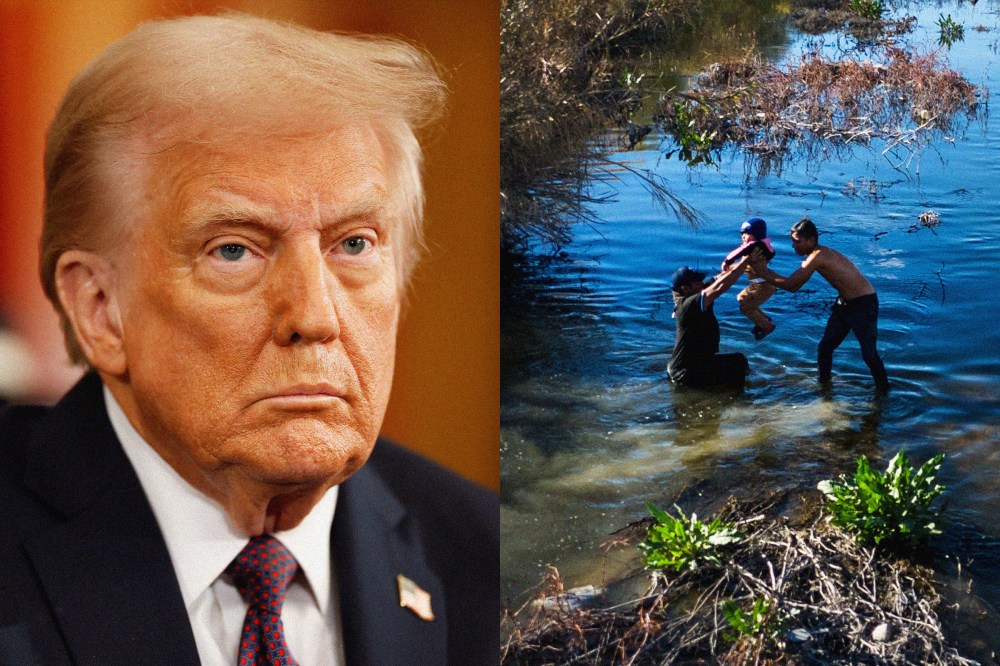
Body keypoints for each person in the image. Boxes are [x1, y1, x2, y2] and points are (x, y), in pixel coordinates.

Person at [0, 14, 497, 666]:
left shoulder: (483, 557)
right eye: (234, 250)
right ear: (100, 308)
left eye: (354, 244)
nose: (316, 317)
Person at [750, 217, 890, 393]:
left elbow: (791, 285)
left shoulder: (818, 256)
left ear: (811, 240)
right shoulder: (818, 254)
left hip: (863, 303)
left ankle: (884, 393)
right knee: (825, 348)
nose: (794, 246)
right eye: (792, 241)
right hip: (844, 303)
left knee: (869, 354)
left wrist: (763, 271)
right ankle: (824, 387)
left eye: (797, 242)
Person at [668, 258, 751, 389]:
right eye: (697, 283)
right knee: (738, 364)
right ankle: (736, 401)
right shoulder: (688, 305)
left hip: (693, 364)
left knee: (736, 362)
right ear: (685, 288)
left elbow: (718, 279)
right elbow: (719, 287)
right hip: (685, 371)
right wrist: (745, 263)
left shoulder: (693, 293)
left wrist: (745, 258)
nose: (702, 284)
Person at [722, 217, 777, 340]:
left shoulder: (754, 247)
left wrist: (727, 261)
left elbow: (739, 251)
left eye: (747, 233)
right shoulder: (761, 247)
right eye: (742, 234)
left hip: (763, 286)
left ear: (756, 235)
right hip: (759, 284)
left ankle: (766, 326)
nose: (743, 237)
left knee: (745, 307)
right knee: (741, 297)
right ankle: (764, 318)